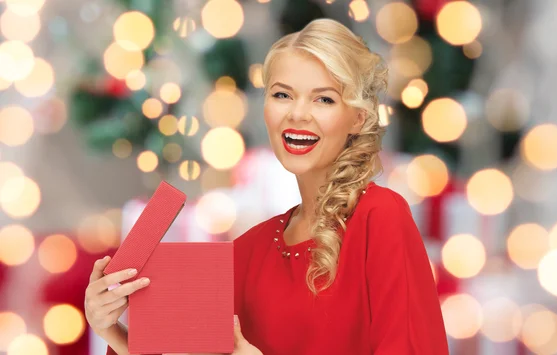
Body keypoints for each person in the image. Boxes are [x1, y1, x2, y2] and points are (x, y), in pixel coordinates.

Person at [85, 18, 449, 355]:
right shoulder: (248, 250)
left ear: (358, 117)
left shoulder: (380, 217)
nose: (297, 113)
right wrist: (114, 331)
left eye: (324, 98)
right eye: (282, 94)